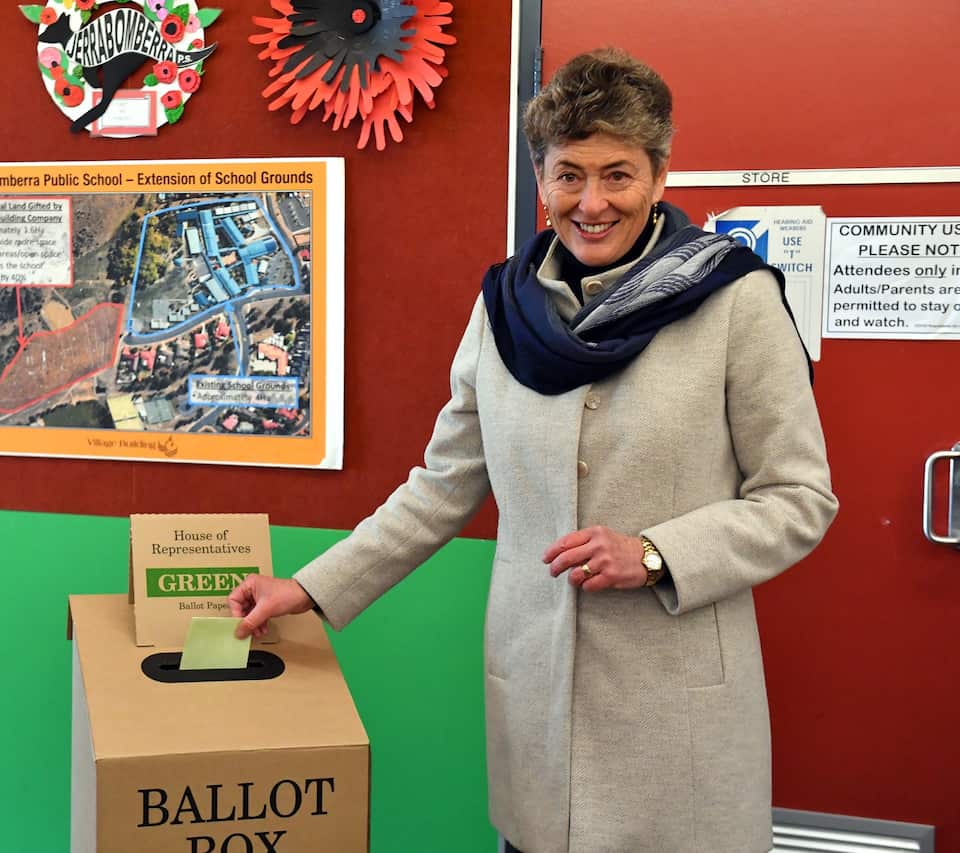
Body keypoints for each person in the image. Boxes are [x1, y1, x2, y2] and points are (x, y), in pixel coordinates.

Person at [228, 47, 837, 853]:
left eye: (617, 174)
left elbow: (800, 498)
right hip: (538, 729)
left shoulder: (737, 302)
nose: (592, 201)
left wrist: (656, 553)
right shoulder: (502, 310)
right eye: (568, 175)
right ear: (540, 181)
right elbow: (440, 487)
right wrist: (309, 587)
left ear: (659, 177)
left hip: (677, 731)